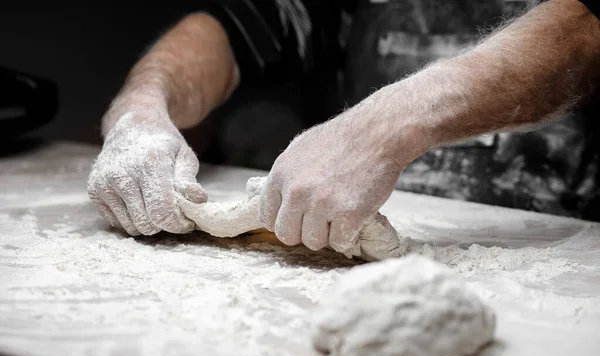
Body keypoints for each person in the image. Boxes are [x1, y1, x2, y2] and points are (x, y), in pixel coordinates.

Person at [87, 0, 600, 255]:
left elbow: (583, 31)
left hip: (562, 241)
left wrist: (385, 125)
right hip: (339, 215)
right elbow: (233, 29)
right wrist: (141, 105)